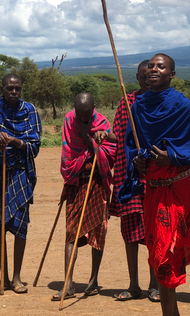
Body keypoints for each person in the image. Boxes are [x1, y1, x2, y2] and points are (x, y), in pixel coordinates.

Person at [118, 53, 190, 316]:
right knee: (158, 252)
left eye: (160, 67)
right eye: (150, 66)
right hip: (152, 188)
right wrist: (137, 162)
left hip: (177, 190)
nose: (154, 69)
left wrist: (172, 156)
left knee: (164, 256)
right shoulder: (137, 107)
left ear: (171, 74)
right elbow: (132, 145)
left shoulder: (183, 106)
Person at [101, 60, 160, 302]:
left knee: (154, 233)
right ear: (137, 78)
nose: (146, 80)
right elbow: (120, 135)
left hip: (154, 176)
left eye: (150, 76)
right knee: (130, 232)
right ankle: (134, 285)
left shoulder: (161, 103)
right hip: (128, 176)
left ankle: (155, 285)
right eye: (142, 76)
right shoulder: (127, 102)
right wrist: (105, 135)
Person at [51, 92, 116, 301]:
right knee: (71, 232)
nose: (84, 120)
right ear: (74, 110)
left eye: (87, 116)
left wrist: (91, 138)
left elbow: (110, 154)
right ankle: (68, 284)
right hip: (76, 182)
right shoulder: (69, 120)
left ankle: (93, 281)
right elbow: (68, 154)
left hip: (96, 181)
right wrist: (82, 131)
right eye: (80, 116)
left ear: (94, 108)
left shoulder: (102, 123)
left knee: (98, 230)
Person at [0, 73, 41, 294]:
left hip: (21, 174)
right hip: (0, 173)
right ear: (2, 89)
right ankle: (2, 277)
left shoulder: (30, 111)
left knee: (20, 226)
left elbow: (35, 147)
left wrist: (15, 141)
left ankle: (16, 278)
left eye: (17, 89)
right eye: (9, 89)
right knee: (1, 227)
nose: (14, 92)